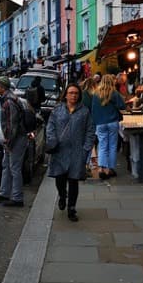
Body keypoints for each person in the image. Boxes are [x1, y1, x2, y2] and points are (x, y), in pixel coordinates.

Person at [45, 83, 96, 222]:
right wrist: (52, 139)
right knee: (59, 178)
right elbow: (50, 126)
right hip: (60, 150)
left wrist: (86, 148)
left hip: (77, 152)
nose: (73, 95)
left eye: (76, 93)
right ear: (66, 94)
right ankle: (62, 195)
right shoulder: (57, 110)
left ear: (79, 95)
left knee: (74, 180)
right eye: (71, 93)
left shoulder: (84, 111)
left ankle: (72, 208)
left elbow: (90, 130)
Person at [0, 75, 28, 208]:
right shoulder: (8, 98)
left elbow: (13, 125)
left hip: (16, 139)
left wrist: (9, 142)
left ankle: (17, 198)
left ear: (2, 87)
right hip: (13, 138)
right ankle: (4, 193)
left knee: (14, 168)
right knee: (6, 166)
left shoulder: (9, 101)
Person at [91, 74, 126, 180]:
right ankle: (110, 169)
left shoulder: (96, 94)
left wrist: (95, 123)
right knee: (112, 146)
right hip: (112, 122)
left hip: (100, 123)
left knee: (102, 145)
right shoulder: (114, 93)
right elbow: (122, 106)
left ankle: (101, 168)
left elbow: (93, 110)